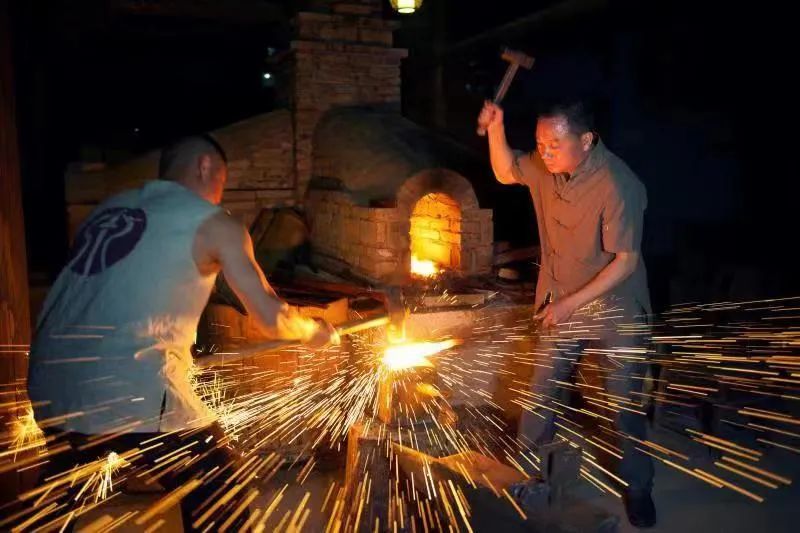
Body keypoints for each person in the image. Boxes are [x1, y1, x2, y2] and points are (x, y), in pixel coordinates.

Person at [27, 134, 338, 531]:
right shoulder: (211, 221)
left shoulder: (108, 210)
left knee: (62, 495)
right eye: (222, 181)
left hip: (51, 385)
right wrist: (313, 331)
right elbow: (270, 317)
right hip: (131, 384)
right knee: (218, 491)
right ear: (205, 166)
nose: (220, 195)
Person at [478, 100, 656, 527]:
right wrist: (497, 128)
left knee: (622, 406)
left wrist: (569, 304)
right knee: (540, 393)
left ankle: (639, 487)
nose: (545, 152)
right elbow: (505, 171)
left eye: (554, 144)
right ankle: (527, 477)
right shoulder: (546, 167)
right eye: (540, 143)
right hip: (561, 298)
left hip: (615, 308)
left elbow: (625, 263)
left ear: (587, 140)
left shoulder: (619, 184)